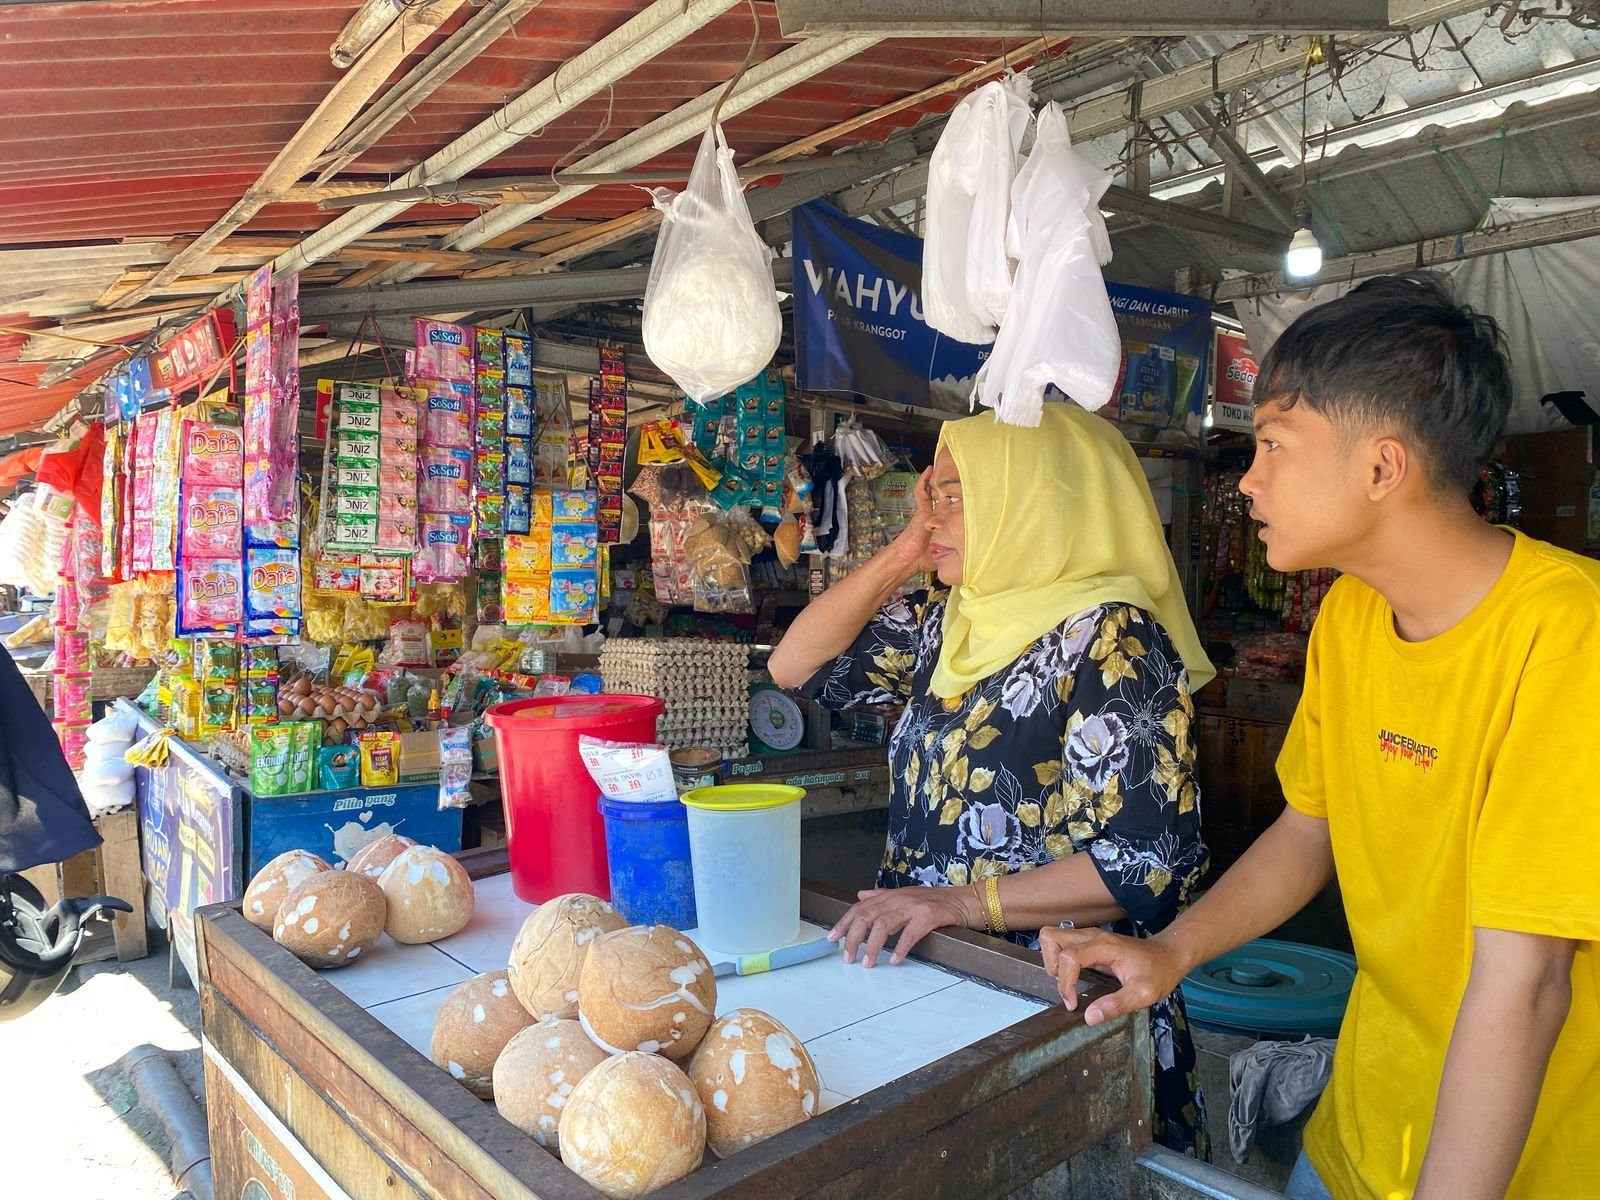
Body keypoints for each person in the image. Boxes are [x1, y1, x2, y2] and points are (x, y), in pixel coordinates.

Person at [1041, 273, 1600, 1200]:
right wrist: (1174, 951)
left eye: (1271, 445)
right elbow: (1309, 831)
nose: (1249, 479)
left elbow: (1526, 983)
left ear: (1382, 468)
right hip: (1358, 1135)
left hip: (1518, 1165)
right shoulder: (1350, 617)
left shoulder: (1566, 637)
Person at [769, 403, 1217, 1155]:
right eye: (928, 495)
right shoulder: (948, 619)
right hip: (936, 969)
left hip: (1061, 1000)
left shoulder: (1111, 638)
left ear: (1032, 497)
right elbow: (796, 668)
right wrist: (904, 552)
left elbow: (1152, 862)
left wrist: (962, 902)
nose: (931, 513)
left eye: (953, 495)